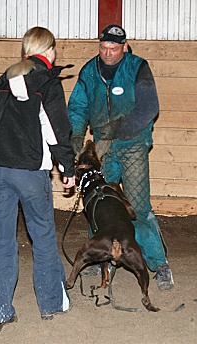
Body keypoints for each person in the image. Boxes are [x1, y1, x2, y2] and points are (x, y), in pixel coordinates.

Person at [0, 27, 76, 331]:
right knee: (43, 236)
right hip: (30, 171)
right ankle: (50, 304)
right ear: (50, 51)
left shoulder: (1, 84)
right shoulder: (47, 83)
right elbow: (57, 130)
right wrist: (68, 169)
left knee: (2, 241)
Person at [67, 24, 174, 292]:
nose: (108, 53)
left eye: (114, 49)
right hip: (104, 146)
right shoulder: (89, 72)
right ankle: (94, 259)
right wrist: (76, 142)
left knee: (138, 207)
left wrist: (117, 131)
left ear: (124, 47)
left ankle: (159, 264)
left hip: (133, 143)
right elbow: (78, 107)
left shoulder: (138, 67)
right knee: (98, 204)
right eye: (103, 47)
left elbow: (149, 107)